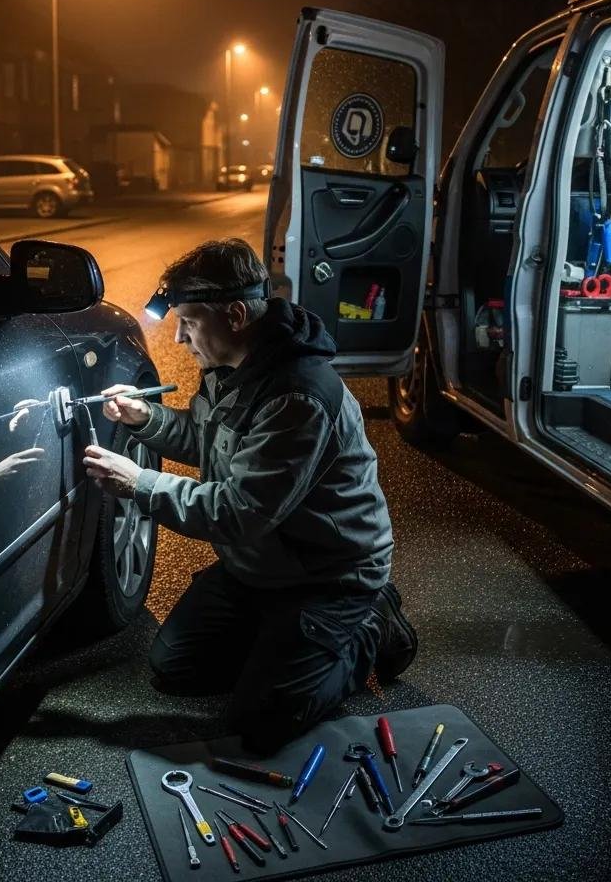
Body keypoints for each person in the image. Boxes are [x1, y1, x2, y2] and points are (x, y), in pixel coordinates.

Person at [82, 238, 417, 753]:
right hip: (262, 567)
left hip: (324, 574)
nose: (179, 336)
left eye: (190, 322)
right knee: (175, 668)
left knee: (263, 720)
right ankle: (286, 640)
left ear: (235, 314)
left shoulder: (298, 395)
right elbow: (207, 439)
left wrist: (139, 483)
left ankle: (369, 627)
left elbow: (240, 512)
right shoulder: (232, 367)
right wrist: (145, 418)